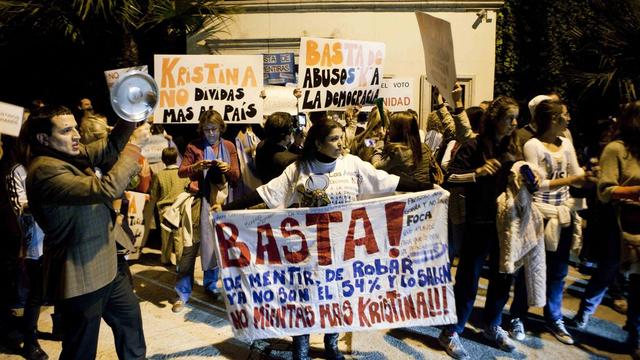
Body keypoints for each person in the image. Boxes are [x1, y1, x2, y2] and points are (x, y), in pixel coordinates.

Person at [222, 119, 433, 360]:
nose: (341, 143)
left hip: (342, 253)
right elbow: (267, 193)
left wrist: (427, 187)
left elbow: (387, 181)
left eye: (342, 137)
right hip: (306, 253)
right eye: (334, 139)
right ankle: (301, 347)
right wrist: (227, 210)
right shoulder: (299, 169)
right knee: (303, 299)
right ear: (318, 143)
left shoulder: (353, 164)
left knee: (336, 298)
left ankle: (331, 344)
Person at [25, 105, 149, 360]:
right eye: (66, 130)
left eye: (75, 128)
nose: (77, 136)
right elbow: (107, 188)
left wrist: (131, 115)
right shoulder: (45, 170)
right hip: (82, 275)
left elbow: (111, 146)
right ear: (43, 138)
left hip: (110, 266)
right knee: (80, 350)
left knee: (131, 327)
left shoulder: (70, 154)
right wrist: (134, 147)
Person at [438, 96, 519, 359]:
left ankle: (492, 324)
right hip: (478, 221)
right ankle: (452, 331)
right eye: (510, 118)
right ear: (495, 119)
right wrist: (478, 173)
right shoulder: (473, 145)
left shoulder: (511, 146)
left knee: (503, 274)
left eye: (516, 118)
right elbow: (450, 176)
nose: (514, 123)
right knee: (468, 278)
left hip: (505, 222)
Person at [508, 99, 592, 345]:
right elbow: (537, 183)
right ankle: (518, 315)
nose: (569, 119)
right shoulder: (532, 145)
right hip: (539, 214)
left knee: (558, 271)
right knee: (529, 267)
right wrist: (572, 179)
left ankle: (554, 317)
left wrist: (584, 178)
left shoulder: (566, 143)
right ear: (554, 119)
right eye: (565, 115)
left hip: (562, 215)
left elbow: (577, 176)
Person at [174, 109, 240, 312]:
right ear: (201, 130)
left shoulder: (228, 146)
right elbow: (181, 171)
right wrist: (196, 166)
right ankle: (182, 293)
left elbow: (237, 176)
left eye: (214, 129)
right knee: (189, 248)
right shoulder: (194, 146)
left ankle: (210, 286)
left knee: (216, 247)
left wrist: (226, 169)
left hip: (221, 202)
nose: (210, 134)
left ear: (221, 128)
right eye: (206, 130)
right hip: (198, 202)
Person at [594, 100, 640, 359]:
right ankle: (635, 336)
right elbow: (605, 190)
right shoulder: (616, 150)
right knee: (635, 283)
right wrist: (634, 191)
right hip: (629, 226)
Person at [372, 110, 444, 185]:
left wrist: (380, 142)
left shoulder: (399, 151)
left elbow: (375, 167)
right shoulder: (424, 147)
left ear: (398, 130)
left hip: (407, 193)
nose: (388, 130)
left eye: (391, 126)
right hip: (425, 191)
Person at [149, 147, 190, 265]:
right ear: (176, 158)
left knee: (166, 237)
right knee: (179, 237)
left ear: (163, 159)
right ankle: (180, 263)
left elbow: (154, 194)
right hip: (181, 208)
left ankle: (165, 260)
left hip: (165, 210)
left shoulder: (159, 175)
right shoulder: (183, 174)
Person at [254, 112, 299, 184]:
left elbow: (282, 152)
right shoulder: (289, 160)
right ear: (287, 137)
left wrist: (295, 145)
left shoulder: (261, 145)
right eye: (292, 130)